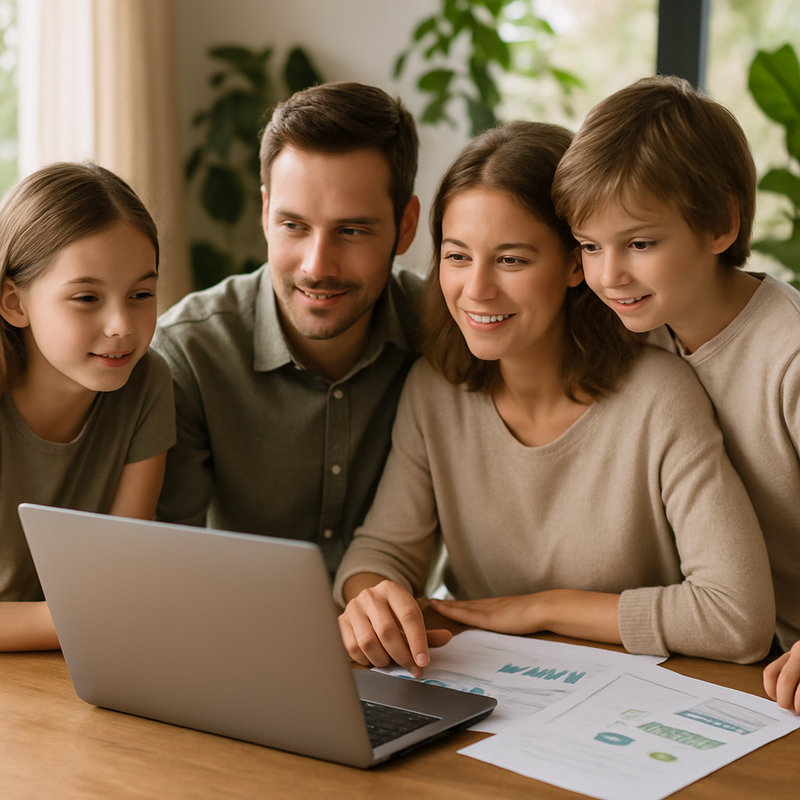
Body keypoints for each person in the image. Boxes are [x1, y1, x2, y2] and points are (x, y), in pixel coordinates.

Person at [334, 120, 775, 679]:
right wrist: (372, 599)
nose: (477, 289)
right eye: (457, 255)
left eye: (512, 259)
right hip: (485, 698)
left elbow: (737, 616)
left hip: (639, 706)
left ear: (575, 263)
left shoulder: (659, 397)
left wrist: (543, 607)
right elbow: (382, 550)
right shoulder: (434, 390)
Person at [551, 75, 800, 712]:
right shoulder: (642, 337)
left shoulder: (789, 356)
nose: (608, 276)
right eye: (589, 246)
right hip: (738, 668)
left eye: (640, 243)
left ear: (719, 224)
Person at [152, 82, 422, 574]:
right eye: (293, 225)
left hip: (408, 640)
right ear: (263, 213)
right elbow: (168, 566)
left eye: (352, 230)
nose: (317, 266)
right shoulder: (189, 352)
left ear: (405, 226)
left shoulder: (444, 334)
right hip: (236, 633)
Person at [0, 162, 176, 651]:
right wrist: (72, 621)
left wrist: (93, 616)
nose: (121, 324)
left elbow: (118, 577)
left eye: (141, 293)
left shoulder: (148, 383)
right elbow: (104, 609)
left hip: (74, 668)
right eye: (86, 297)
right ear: (14, 303)